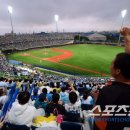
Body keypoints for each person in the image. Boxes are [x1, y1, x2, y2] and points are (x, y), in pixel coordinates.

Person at [93, 27, 130, 130]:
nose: (110, 66)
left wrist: (96, 100)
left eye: (112, 64)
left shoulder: (108, 91)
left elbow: (99, 121)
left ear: (118, 71)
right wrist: (126, 36)